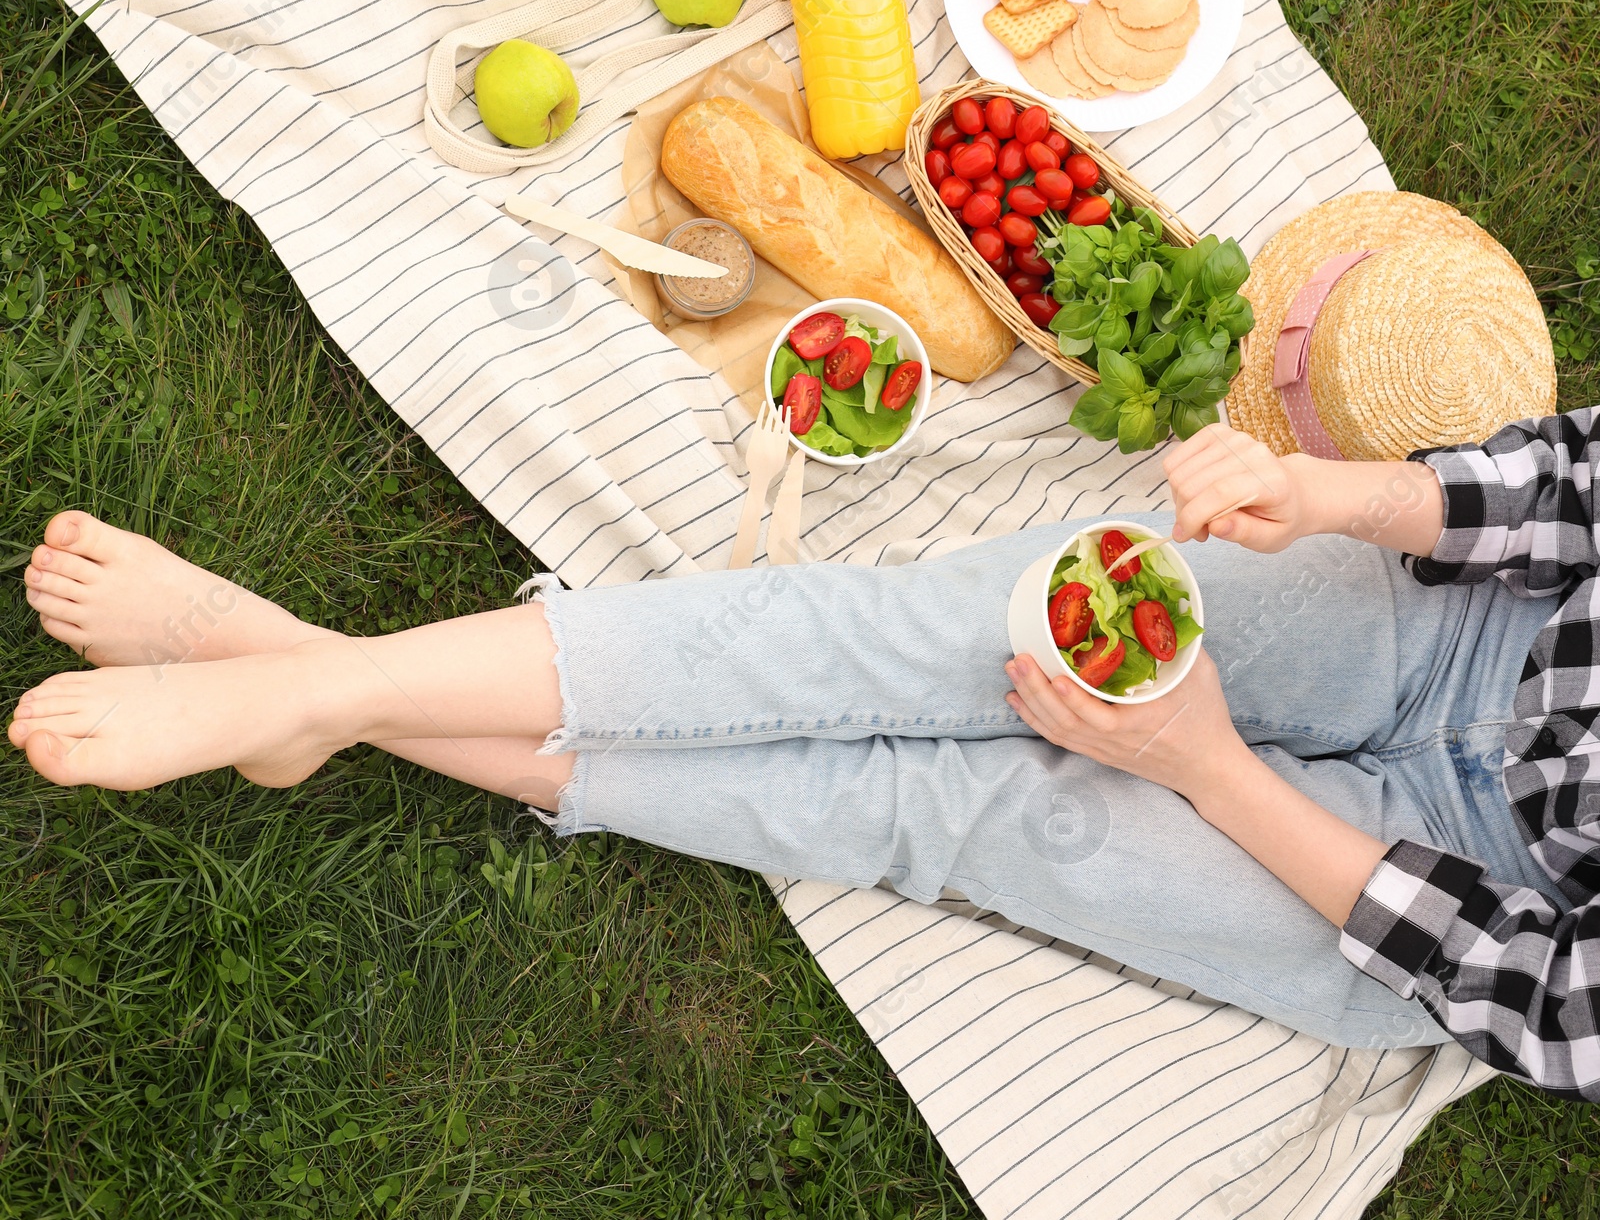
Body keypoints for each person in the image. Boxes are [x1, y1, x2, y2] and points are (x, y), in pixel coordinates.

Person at [12, 411, 1600, 1096]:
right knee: (928, 633)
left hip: (1426, 897)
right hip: (1470, 616)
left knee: (941, 806)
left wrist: (1207, 771)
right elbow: (1573, 482)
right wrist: (1338, 501)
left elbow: (1541, 1004)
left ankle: (294, 678)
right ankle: (311, 690)